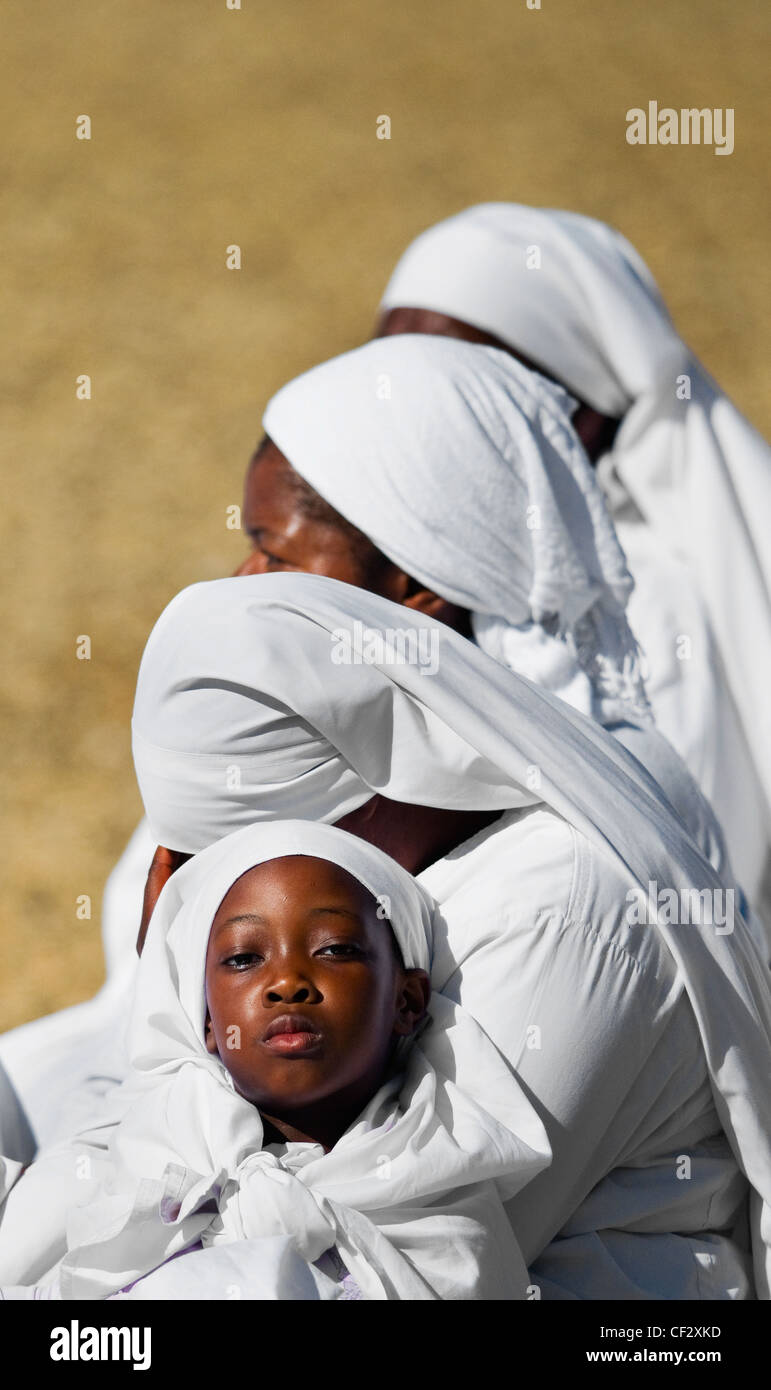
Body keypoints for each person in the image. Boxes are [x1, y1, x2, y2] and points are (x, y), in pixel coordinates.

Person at [4, 571, 764, 1299]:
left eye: (215, 857)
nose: (188, 891)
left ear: (358, 802)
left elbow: (375, 1245)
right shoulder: (400, 885)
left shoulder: (558, 908)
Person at [374, 203, 771, 919]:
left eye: (464, 378)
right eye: (390, 369)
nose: (415, 407)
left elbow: (646, 903)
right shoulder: (388, 564)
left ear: (582, 407)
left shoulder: (640, 605)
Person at [242, 334, 734, 894]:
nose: (242, 579)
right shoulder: (320, 757)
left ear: (419, 582)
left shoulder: (563, 846)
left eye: (273, 553)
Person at [2, 822, 548, 1300]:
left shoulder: (443, 1210)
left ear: (406, 1001)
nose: (287, 983)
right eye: (244, 958)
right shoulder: (140, 1159)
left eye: (335, 949)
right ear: (207, 1023)